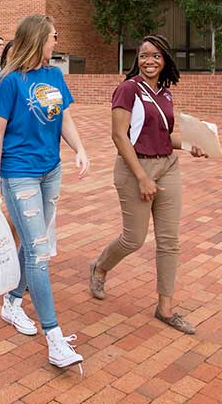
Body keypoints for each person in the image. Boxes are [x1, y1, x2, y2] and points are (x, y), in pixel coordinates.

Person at [0, 15, 87, 371]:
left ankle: (12, 302)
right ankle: (54, 339)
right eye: (54, 36)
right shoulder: (9, 81)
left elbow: (64, 119)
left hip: (50, 170)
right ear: (38, 38)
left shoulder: (55, 76)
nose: (57, 42)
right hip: (19, 173)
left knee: (33, 243)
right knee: (40, 254)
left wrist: (80, 149)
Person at [88, 34, 207, 335]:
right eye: (143, 55)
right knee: (134, 239)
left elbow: (165, 137)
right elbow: (119, 136)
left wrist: (194, 142)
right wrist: (142, 176)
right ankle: (100, 267)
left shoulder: (165, 94)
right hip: (134, 168)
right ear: (136, 59)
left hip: (168, 165)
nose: (149, 61)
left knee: (169, 240)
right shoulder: (127, 90)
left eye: (155, 56)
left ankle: (164, 308)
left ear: (165, 59)